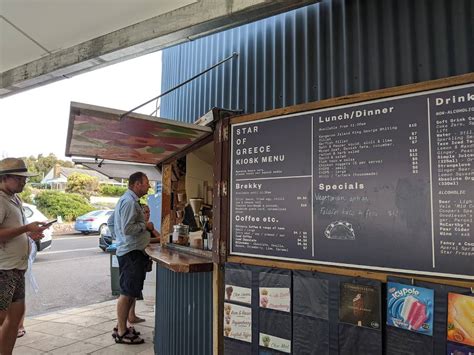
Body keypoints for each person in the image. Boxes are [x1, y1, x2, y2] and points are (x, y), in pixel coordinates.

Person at [0, 158, 48, 355]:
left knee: (16, 315)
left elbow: (12, 230)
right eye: (19, 178)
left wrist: (29, 233)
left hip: (17, 268)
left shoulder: (15, 199)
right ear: (4, 178)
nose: (24, 182)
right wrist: (26, 228)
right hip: (4, 269)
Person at [112, 172, 154, 344]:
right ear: (137, 184)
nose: (149, 187)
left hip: (133, 252)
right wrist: (146, 225)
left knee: (130, 292)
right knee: (126, 293)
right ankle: (121, 332)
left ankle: (121, 326)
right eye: (146, 183)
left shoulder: (129, 201)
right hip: (131, 253)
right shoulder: (129, 202)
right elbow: (127, 229)